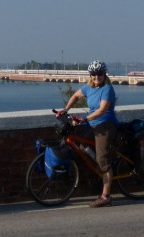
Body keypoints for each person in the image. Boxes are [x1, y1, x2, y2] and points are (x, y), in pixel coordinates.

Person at [57, 60, 119, 207]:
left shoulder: (107, 89)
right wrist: (65, 110)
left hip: (105, 126)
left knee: (103, 161)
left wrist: (84, 118)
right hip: (92, 125)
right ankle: (98, 166)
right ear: (90, 75)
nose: (96, 76)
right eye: (94, 74)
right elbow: (75, 96)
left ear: (104, 75)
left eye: (99, 74)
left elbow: (102, 110)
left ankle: (106, 196)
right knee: (80, 145)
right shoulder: (89, 87)